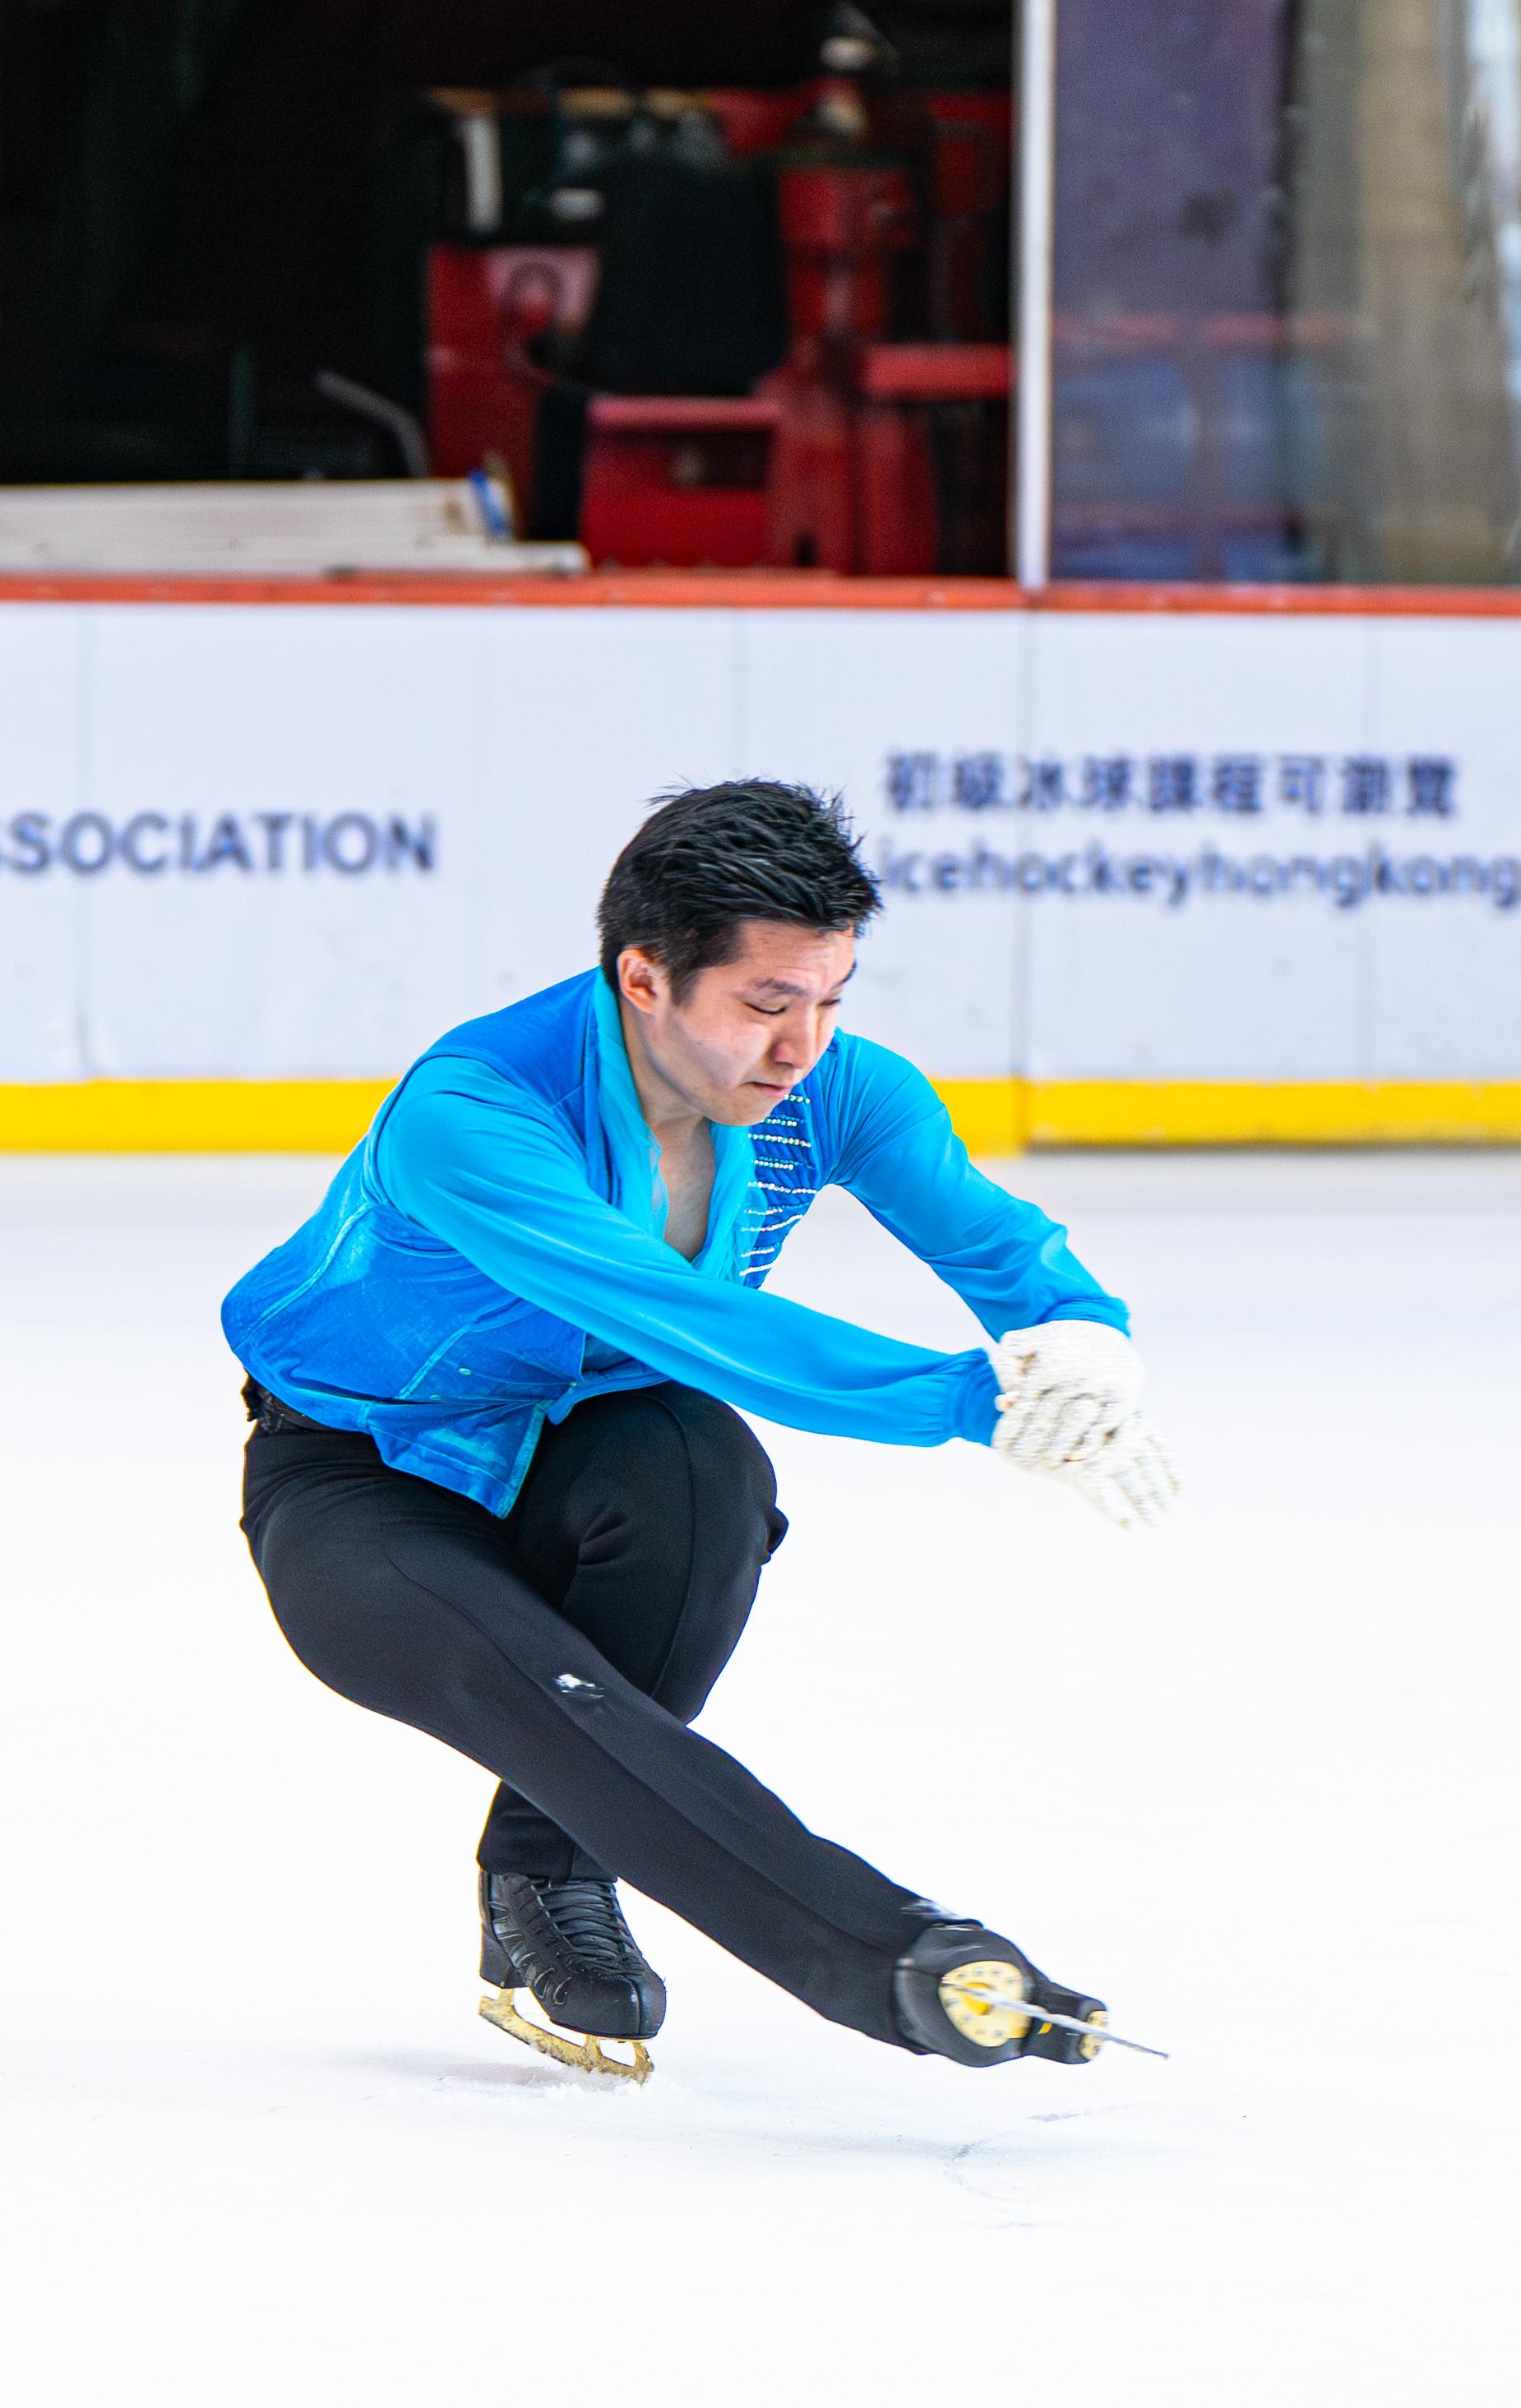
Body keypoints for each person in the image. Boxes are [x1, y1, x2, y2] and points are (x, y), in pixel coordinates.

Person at [225, 780, 1183, 2080]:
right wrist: (973, 1398)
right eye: (767, 1003)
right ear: (643, 977)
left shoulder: (837, 1088)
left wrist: (1080, 1335)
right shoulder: (476, 1110)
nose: (803, 1045)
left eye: (832, 996)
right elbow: (685, 1321)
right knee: (534, 1681)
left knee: (702, 1466)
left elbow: (990, 1237)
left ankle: (541, 1862)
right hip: (358, 1471)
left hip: (601, 1444)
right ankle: (896, 1961)